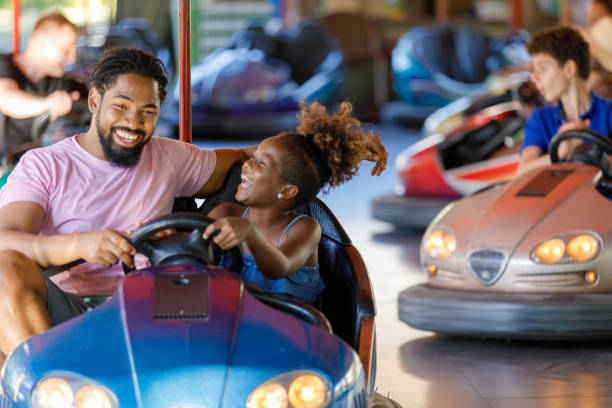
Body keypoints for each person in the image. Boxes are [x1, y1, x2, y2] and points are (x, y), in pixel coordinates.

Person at [0, 47, 257, 358]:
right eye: (120, 106)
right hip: (67, 309)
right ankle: (51, 385)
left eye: (148, 112)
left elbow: (253, 158)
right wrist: (80, 245)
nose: (133, 123)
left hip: (152, 305)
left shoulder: (168, 156)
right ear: (95, 101)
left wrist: (316, 141)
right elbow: (6, 240)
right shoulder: (44, 165)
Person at [202, 100, 387, 304]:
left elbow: (280, 267)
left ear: (287, 190)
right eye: (253, 157)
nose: (246, 164)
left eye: (260, 164)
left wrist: (251, 234)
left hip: (288, 330)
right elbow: (193, 252)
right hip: (229, 326)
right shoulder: (224, 213)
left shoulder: (305, 229)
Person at [517, 26, 612, 176]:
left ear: (569, 69)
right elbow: (522, 172)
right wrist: (561, 151)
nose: (534, 78)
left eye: (542, 68)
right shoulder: (540, 119)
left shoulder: (609, 113)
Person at [0, 12, 85, 161]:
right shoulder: (4, 65)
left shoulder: (63, 84)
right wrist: (48, 104)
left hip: (37, 168)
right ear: (43, 41)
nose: (73, 58)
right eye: (66, 50)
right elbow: (7, 99)